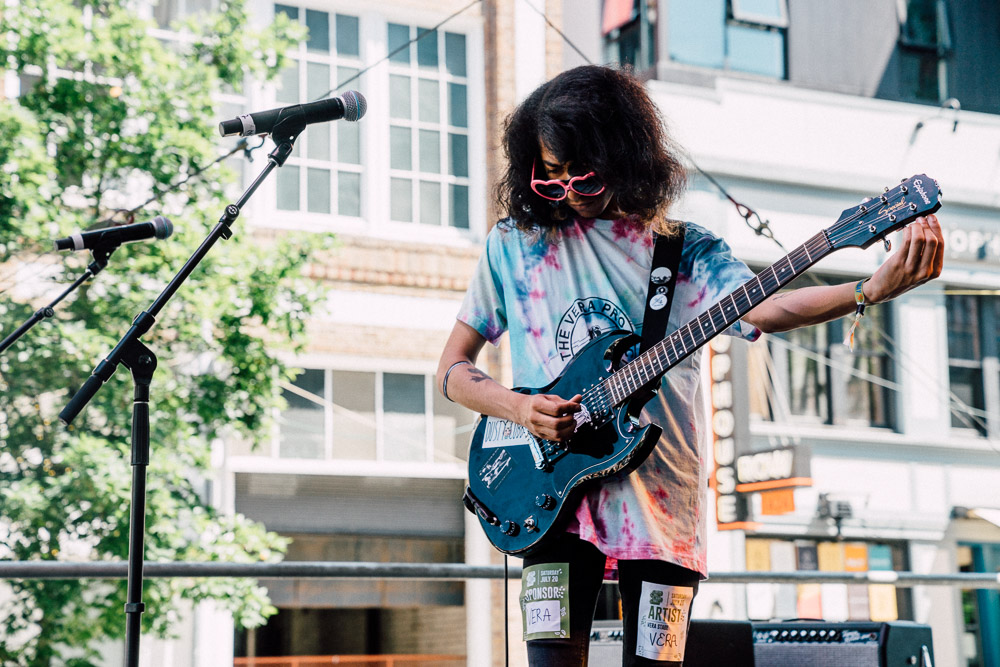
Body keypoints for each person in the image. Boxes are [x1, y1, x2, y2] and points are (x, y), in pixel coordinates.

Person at [438, 65, 943, 666]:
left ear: (624, 156)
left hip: (661, 504)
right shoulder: (514, 244)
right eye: (551, 177)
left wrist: (866, 291)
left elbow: (772, 307)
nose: (569, 190)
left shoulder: (683, 249)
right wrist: (521, 408)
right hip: (548, 499)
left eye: (585, 174)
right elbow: (451, 370)